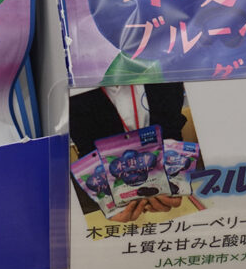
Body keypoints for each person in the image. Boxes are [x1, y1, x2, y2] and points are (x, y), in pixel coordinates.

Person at [69, 82, 189, 221]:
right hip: (103, 194)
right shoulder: (67, 86)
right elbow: (86, 145)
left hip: (163, 190)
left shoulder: (165, 74)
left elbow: (172, 127)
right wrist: (106, 202)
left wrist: (176, 182)